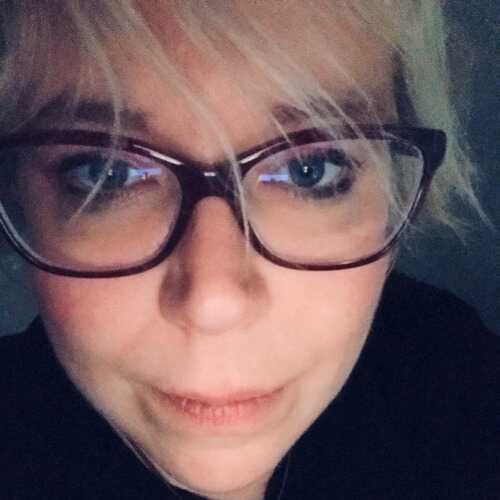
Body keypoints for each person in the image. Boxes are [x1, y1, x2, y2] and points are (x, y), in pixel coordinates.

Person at [0, 1, 498, 499]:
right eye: (108, 172)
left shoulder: (450, 373)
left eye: (310, 169)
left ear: (396, 187)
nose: (213, 302)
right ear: (18, 197)